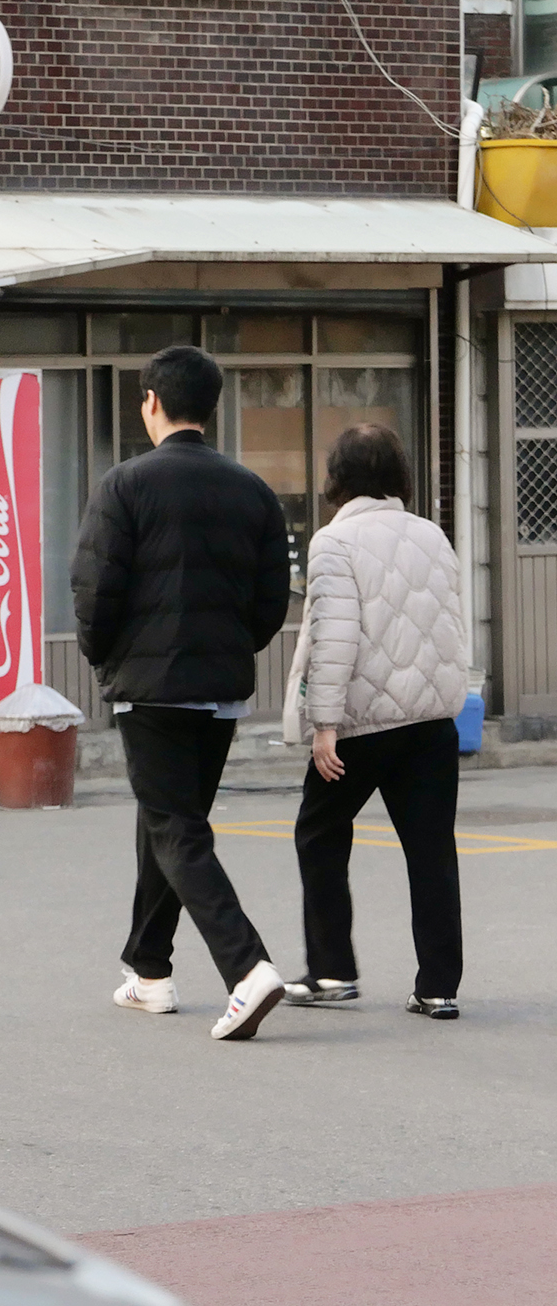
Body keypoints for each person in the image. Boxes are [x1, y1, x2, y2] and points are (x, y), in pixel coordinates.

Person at [71, 345, 291, 1041]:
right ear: (211, 406)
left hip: (151, 689)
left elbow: (94, 588)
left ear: (151, 402)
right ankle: (149, 972)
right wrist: (231, 649)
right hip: (219, 691)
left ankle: (248, 968)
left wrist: (105, 657)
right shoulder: (252, 489)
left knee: (175, 830)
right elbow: (271, 601)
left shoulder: (126, 484)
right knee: (169, 824)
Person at [282, 424, 467, 1020]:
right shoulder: (432, 535)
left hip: (364, 726)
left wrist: (324, 724)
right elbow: (448, 625)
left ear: (338, 475)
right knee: (432, 849)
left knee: (319, 833)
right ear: (399, 475)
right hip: (432, 721)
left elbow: (334, 637)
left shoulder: (335, 543)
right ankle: (438, 986)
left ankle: (332, 970)